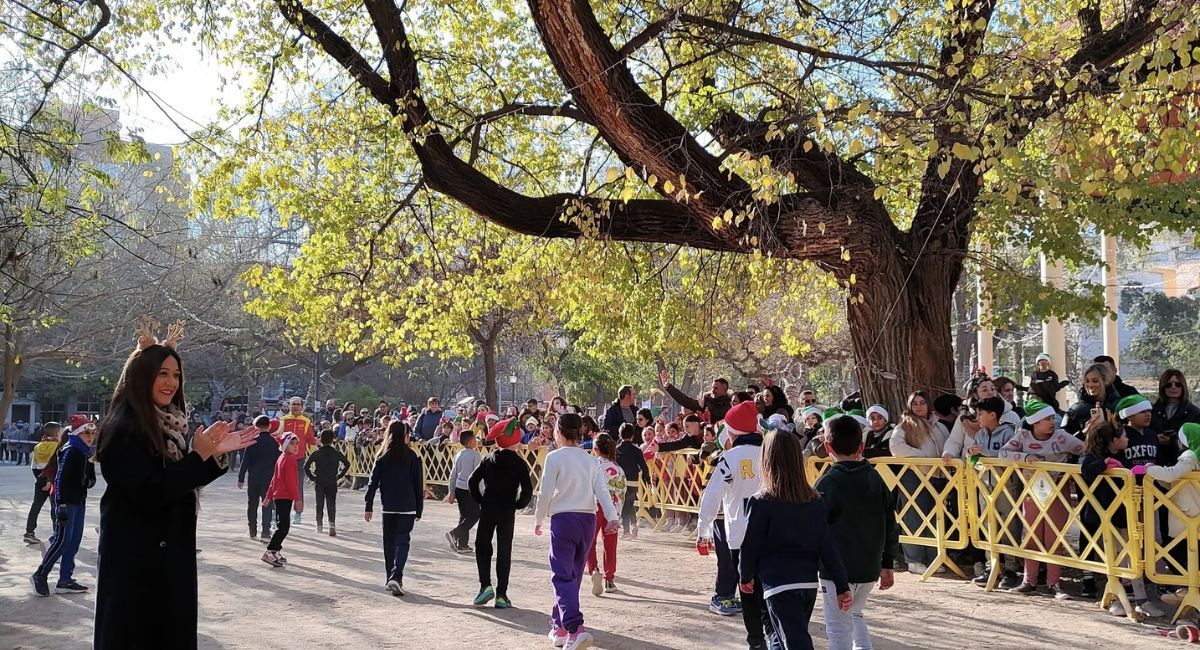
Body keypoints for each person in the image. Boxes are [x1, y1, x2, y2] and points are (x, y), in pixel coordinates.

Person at [92, 326, 257, 649]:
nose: (171, 383)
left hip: (169, 559)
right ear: (142, 377)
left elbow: (179, 480)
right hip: (137, 562)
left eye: (176, 375)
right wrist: (199, 457)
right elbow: (150, 491)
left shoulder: (170, 425)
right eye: (162, 374)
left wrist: (212, 457)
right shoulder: (123, 429)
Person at [739, 430, 851, 650]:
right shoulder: (814, 500)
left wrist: (745, 575)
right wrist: (841, 584)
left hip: (777, 584)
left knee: (794, 641)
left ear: (766, 459)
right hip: (807, 584)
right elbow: (827, 546)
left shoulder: (761, 501)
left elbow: (750, 544)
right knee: (785, 638)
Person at [534, 413, 621, 650]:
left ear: (559, 433)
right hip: (587, 520)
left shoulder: (554, 457)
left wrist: (539, 519)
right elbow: (603, 492)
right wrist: (613, 518)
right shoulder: (592, 460)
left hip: (563, 519)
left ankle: (575, 627)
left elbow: (545, 493)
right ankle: (560, 625)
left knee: (561, 575)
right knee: (572, 575)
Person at [817, 414, 898, 650]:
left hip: (836, 571)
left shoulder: (827, 484)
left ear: (827, 447)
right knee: (855, 614)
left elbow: (816, 528)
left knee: (838, 627)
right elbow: (890, 523)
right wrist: (888, 563)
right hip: (869, 568)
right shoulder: (876, 479)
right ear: (861, 446)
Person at [697, 401, 770, 648]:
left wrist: (703, 530)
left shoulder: (729, 459)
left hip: (740, 535)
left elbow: (712, 496)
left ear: (732, 432)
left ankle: (756, 641)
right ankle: (774, 638)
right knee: (769, 591)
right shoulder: (770, 455)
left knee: (748, 591)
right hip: (772, 535)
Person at [999, 399, 1085, 597]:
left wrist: (1074, 470)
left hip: (1057, 493)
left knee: (1054, 537)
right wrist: (1025, 458)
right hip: (1033, 493)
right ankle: (1029, 580)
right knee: (1031, 535)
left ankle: (1054, 583)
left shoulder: (1062, 438)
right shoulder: (1022, 436)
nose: (1052, 421)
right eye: (1046, 419)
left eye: (1052, 418)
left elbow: (1085, 449)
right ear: (1035, 422)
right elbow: (1003, 453)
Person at [469, 417, 534, 609]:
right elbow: (528, 490)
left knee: (482, 545)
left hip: (489, 506)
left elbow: (473, 481)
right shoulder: (520, 464)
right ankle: (502, 595)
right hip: (507, 509)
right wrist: (518, 504)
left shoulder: (488, 459)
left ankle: (485, 585)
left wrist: (480, 499)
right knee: (504, 549)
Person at [30, 418, 97, 596]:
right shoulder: (69, 450)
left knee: (74, 541)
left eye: (92, 433)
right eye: (86, 433)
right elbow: (59, 480)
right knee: (61, 541)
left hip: (79, 502)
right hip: (65, 502)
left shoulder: (86, 453)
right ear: (77, 433)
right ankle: (40, 575)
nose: (90, 437)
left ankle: (65, 579)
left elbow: (91, 478)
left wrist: (88, 481)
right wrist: (62, 505)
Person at [887, 391, 950, 574]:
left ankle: (933, 557)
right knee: (914, 515)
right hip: (915, 474)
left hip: (938, 476)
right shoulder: (905, 425)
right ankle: (914, 559)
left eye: (922, 402)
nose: (919, 406)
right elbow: (896, 447)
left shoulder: (939, 426)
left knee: (934, 516)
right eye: (915, 403)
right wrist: (921, 457)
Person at [364, 420, 424, 596]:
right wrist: (419, 508)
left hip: (388, 506)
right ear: (406, 435)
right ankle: (396, 576)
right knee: (403, 541)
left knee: (388, 543)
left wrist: (368, 505)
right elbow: (417, 484)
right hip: (407, 506)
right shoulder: (413, 456)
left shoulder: (382, 456)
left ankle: (390, 577)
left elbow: (372, 483)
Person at [1146, 423, 1200, 603]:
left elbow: (1172, 475)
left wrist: (1149, 469)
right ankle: (1188, 589)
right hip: (1193, 512)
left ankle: (1186, 588)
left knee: (1174, 550)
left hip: (1188, 514)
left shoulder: (1190, 456)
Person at [586, 433, 627, 596]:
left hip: (593, 507)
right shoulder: (618, 469)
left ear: (595, 449)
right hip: (612, 508)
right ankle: (609, 579)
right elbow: (621, 492)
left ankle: (594, 569)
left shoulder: (591, 465)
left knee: (589, 541)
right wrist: (616, 515)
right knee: (610, 545)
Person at [263, 433, 306, 567]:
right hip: (284, 496)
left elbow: (273, 480)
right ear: (285, 445)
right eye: (292, 443)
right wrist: (298, 499)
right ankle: (270, 550)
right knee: (283, 527)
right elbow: (291, 482)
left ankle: (275, 551)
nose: (295, 446)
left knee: (282, 525)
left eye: (296, 443)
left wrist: (268, 496)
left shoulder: (281, 458)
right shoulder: (289, 459)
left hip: (279, 496)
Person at [238, 415, 281, 541]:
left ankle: (252, 531)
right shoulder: (275, 443)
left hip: (254, 478)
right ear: (270, 426)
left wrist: (241, 478)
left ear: (256, 427)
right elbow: (279, 462)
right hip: (269, 479)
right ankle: (266, 532)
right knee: (267, 504)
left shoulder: (252, 442)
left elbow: (245, 461)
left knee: (252, 504)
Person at [305, 429, 351, 536]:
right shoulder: (336, 453)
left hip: (319, 480)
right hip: (332, 480)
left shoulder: (316, 453)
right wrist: (339, 475)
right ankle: (332, 523)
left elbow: (306, 466)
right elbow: (347, 464)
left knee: (319, 503)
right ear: (332, 440)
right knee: (331, 503)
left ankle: (319, 524)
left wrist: (312, 477)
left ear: (320, 439)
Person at [279, 397, 317, 524]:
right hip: (284, 458)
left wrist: (320, 441)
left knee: (298, 485)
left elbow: (310, 438)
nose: (295, 406)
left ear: (302, 407)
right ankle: (280, 512)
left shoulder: (306, 421)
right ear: (289, 406)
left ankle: (298, 513)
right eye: (293, 404)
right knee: (282, 484)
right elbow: (277, 437)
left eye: (298, 404)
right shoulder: (282, 420)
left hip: (299, 458)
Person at [24, 422, 62, 545]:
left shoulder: (38, 446)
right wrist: (50, 481)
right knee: (55, 509)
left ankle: (29, 533)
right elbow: (57, 467)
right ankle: (57, 534)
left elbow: (34, 467)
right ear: (56, 432)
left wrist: (41, 481)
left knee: (36, 506)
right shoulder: (58, 446)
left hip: (40, 481)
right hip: (53, 481)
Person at [446, 430, 483, 553]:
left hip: (459, 488)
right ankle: (455, 533)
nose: (476, 441)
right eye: (474, 439)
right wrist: (481, 493)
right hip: (470, 490)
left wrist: (451, 492)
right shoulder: (475, 455)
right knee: (475, 515)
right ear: (470, 441)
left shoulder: (459, 454)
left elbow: (453, 475)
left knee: (464, 516)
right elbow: (478, 476)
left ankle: (462, 544)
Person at [1064, 363, 1121, 438]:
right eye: (1087, 381)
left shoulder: (1119, 406)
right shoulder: (1075, 410)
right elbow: (1065, 439)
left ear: (1105, 381)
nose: (1090, 385)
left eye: (1095, 381)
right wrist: (1084, 432)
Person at [615, 423, 651, 539]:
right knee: (629, 503)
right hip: (633, 482)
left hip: (621, 482)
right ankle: (634, 524)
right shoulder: (636, 450)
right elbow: (644, 466)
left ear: (620, 435)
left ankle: (626, 530)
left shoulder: (617, 450)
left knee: (624, 505)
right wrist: (647, 479)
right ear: (632, 436)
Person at [660, 370, 732, 423]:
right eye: (712, 387)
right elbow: (686, 401)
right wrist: (668, 387)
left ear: (724, 389)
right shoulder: (706, 402)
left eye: (716, 388)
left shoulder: (731, 405)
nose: (712, 390)